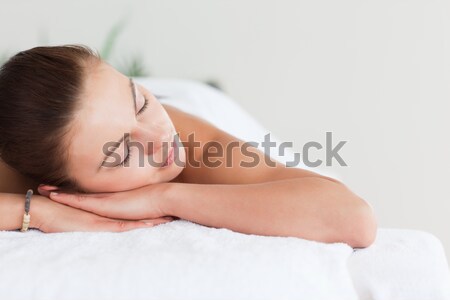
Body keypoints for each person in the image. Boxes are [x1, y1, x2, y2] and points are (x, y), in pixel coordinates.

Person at [0, 45, 377, 248]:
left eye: (140, 102)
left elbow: (352, 218)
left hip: (192, 98)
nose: (158, 139)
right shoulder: (29, 165)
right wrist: (37, 213)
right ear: (63, 190)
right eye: (121, 152)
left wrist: (166, 196)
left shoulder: (184, 139)